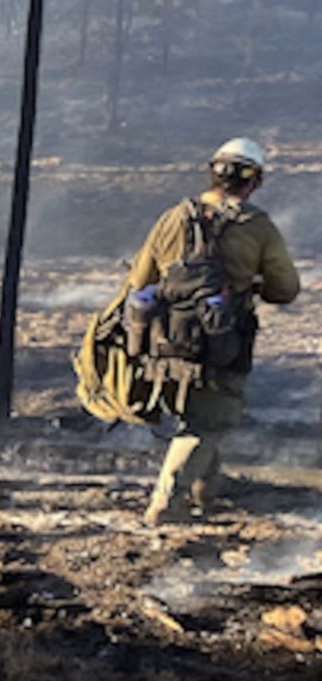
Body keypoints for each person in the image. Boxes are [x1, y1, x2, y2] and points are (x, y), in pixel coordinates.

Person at [131, 137, 300, 526]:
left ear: (212, 173)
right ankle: (166, 502)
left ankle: (207, 486)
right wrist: (249, 284)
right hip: (221, 343)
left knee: (197, 415)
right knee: (209, 421)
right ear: (254, 182)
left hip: (166, 340)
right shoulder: (257, 227)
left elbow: (141, 278)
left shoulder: (174, 217)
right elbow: (286, 289)